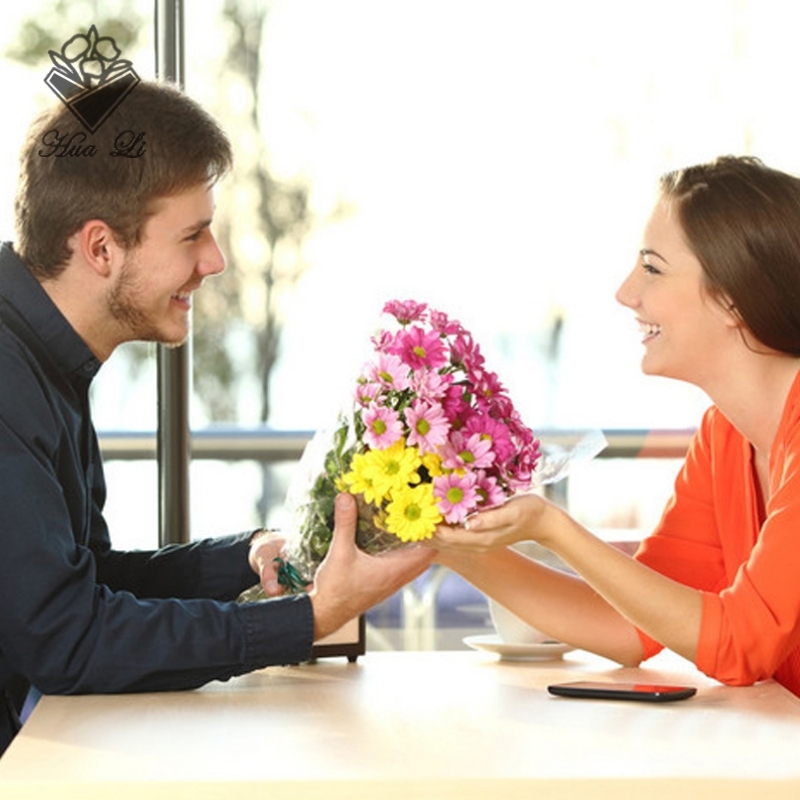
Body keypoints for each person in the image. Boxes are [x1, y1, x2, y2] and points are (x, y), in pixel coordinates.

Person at [0, 80, 431, 755]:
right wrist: (309, 619)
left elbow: (80, 582)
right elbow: (68, 639)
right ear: (101, 248)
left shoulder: (39, 360)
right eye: (193, 235)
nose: (215, 260)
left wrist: (245, 558)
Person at [432, 155, 800, 697]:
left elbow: (741, 644)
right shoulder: (724, 436)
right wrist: (439, 543)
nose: (626, 292)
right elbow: (633, 627)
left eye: (652, 267)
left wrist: (553, 528)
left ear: (731, 298)